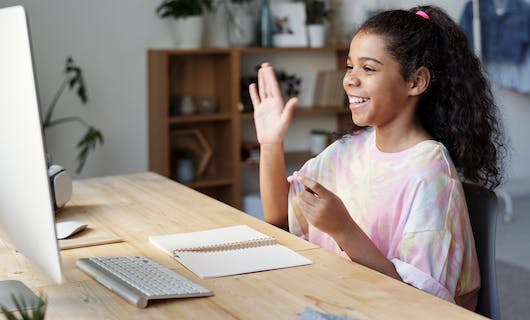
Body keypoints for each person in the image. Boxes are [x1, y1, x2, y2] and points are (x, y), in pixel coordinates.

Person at [248, 5, 505, 311]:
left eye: (368, 69)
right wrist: (271, 143)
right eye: (349, 66)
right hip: (335, 301)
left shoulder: (431, 177)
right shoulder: (346, 151)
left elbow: (420, 305)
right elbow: (280, 220)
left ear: (415, 82)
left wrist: (344, 230)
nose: (350, 80)